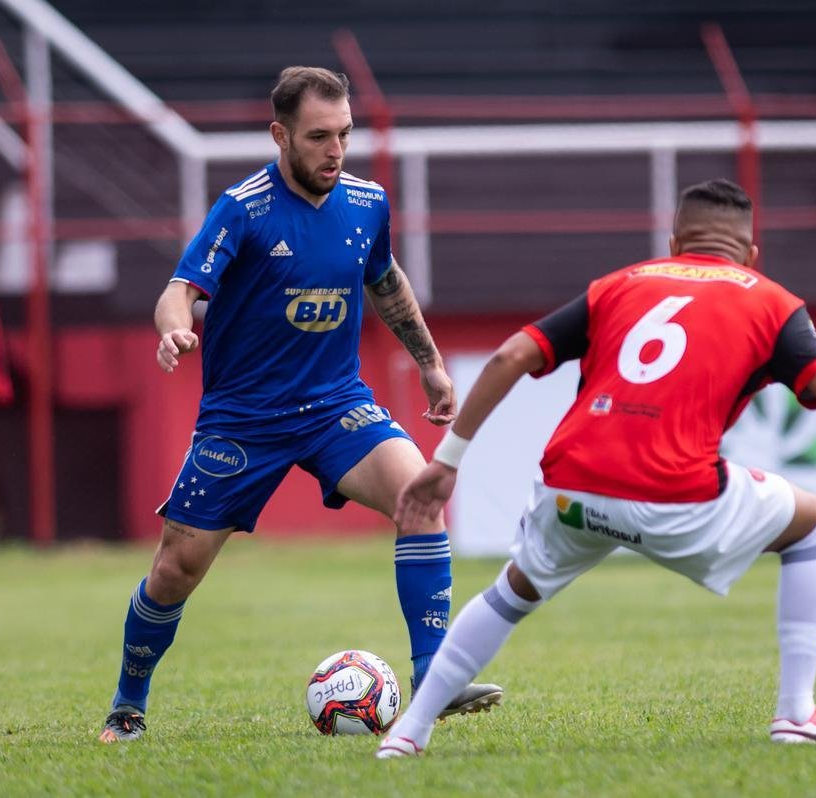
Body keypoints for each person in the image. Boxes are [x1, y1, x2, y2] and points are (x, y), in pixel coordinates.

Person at [375, 178, 816, 758]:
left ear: (676, 241)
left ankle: (408, 733)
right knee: (813, 523)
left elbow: (510, 355)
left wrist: (449, 460)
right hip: (676, 493)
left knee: (512, 592)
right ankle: (796, 714)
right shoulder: (770, 300)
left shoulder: (620, 284)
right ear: (751, 254)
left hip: (571, 485)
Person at [98, 66, 501, 743]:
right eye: (319, 137)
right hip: (243, 420)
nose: (335, 151)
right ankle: (128, 704)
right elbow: (181, 287)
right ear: (280, 134)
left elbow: (385, 278)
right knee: (176, 570)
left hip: (334, 405)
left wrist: (429, 363)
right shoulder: (244, 208)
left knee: (421, 494)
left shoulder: (368, 201)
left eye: (344, 134)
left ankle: (437, 675)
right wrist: (174, 326)